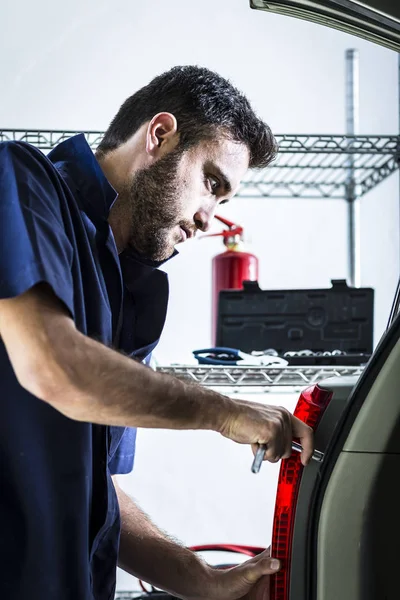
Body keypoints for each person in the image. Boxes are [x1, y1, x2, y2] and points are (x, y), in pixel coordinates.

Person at [0, 66, 313, 600]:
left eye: (224, 200)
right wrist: (223, 410)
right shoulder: (22, 181)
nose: (210, 216)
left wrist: (205, 583)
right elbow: (57, 369)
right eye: (212, 182)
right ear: (160, 134)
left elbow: (99, 490)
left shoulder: (136, 288)